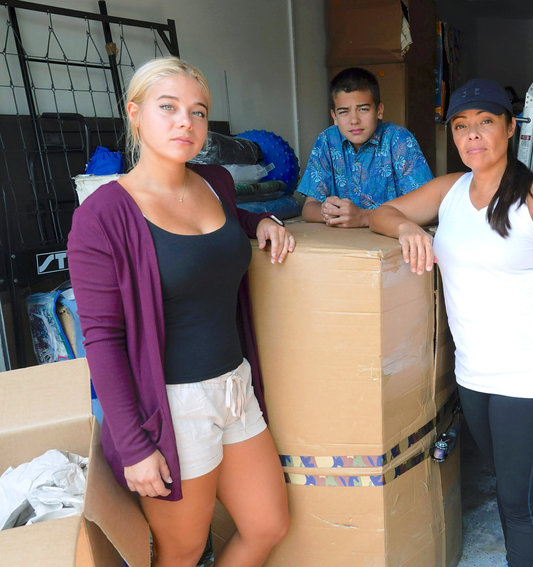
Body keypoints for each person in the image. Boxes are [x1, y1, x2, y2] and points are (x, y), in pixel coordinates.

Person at [67, 57, 292, 567]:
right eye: (167, 108)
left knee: (267, 524)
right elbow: (101, 341)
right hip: (172, 408)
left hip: (235, 386)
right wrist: (135, 444)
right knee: (183, 550)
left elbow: (226, 222)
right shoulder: (102, 217)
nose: (184, 122)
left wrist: (262, 222)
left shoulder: (215, 183)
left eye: (197, 111)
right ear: (135, 114)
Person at [370, 78, 533, 567]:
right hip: (473, 375)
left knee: (518, 504)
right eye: (461, 126)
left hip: (527, 378)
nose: (473, 135)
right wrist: (407, 226)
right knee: (506, 486)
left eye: (486, 122)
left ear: (510, 128)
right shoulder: (449, 192)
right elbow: (380, 214)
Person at [297, 67, 433, 227]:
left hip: (391, 241)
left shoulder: (399, 140)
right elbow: (309, 208)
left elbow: (429, 208)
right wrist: (331, 212)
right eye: (344, 112)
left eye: (363, 109)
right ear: (334, 116)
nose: (354, 120)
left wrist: (362, 217)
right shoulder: (327, 141)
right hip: (343, 245)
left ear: (379, 110)